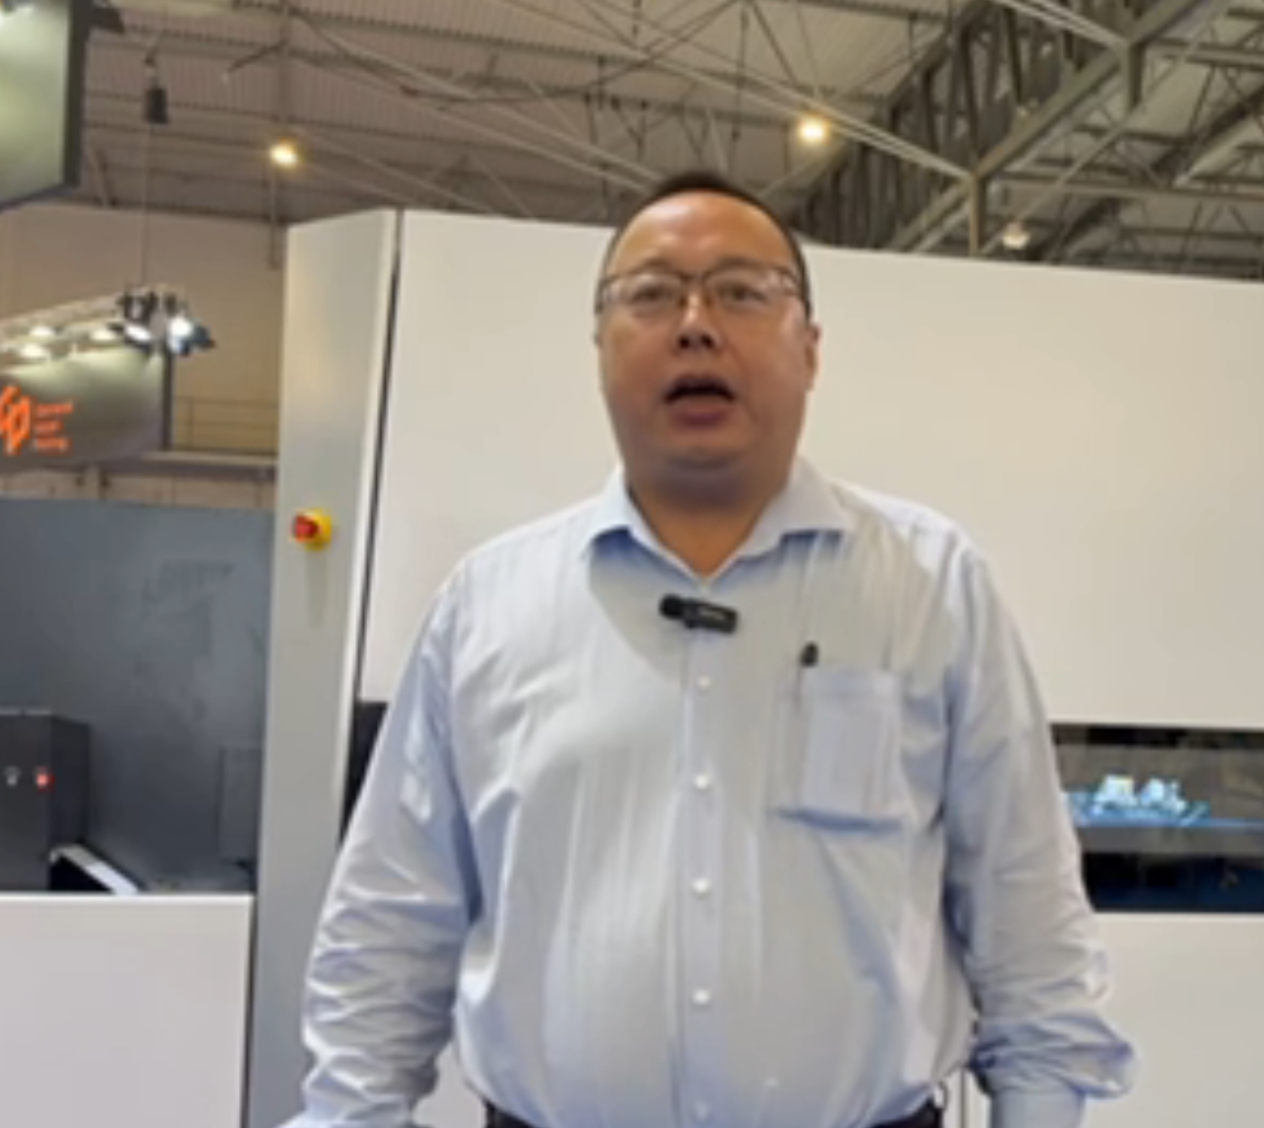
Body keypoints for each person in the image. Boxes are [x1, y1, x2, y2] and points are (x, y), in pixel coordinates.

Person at [292, 169, 1135, 1128]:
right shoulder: (487, 606)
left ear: (810, 349)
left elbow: (1029, 916)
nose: (695, 325)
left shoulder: (930, 586)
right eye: (651, 295)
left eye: (742, 291)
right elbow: (389, 921)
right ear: (600, 348)